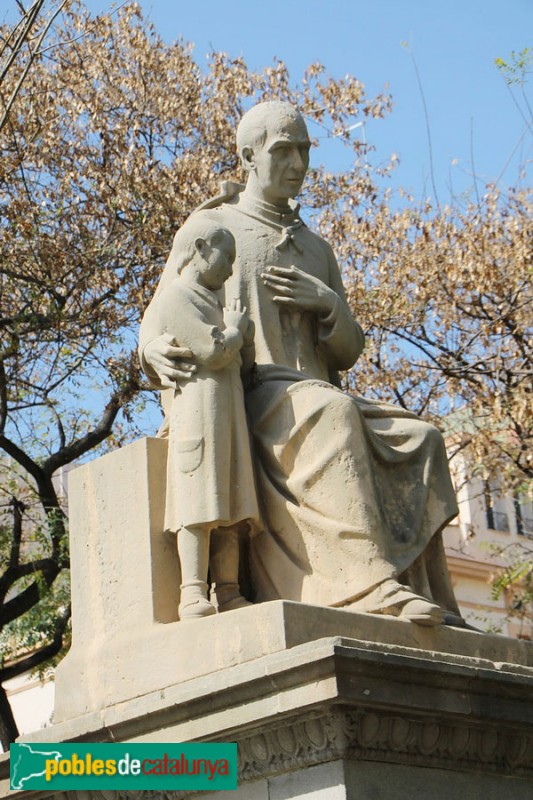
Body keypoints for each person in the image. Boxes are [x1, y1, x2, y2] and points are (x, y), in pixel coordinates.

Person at [139, 101, 463, 627]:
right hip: (253, 393)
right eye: (283, 151)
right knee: (333, 413)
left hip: (315, 392)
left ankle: (431, 596)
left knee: (423, 437)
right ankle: (369, 584)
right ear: (249, 156)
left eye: (304, 151)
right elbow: (161, 312)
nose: (298, 164)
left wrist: (328, 305)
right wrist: (151, 350)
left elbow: (348, 353)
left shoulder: (317, 249)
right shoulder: (212, 228)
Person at [151, 216, 259, 619]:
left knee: (229, 505)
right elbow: (213, 352)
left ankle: (228, 589)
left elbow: (243, 365)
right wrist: (235, 331)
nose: (230, 268)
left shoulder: (217, 303)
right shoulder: (177, 298)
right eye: (225, 257)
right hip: (197, 413)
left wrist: (243, 336)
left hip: (229, 416)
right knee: (196, 504)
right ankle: (192, 590)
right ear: (199, 249)